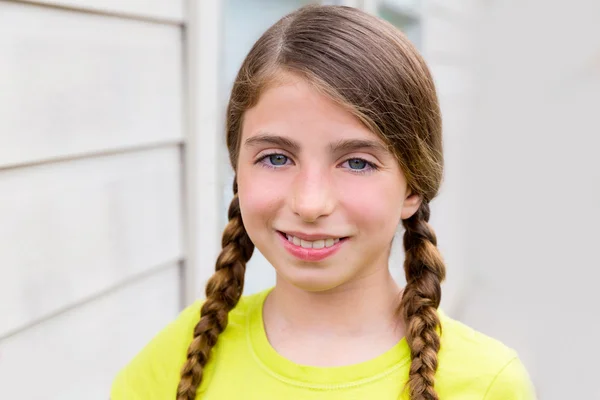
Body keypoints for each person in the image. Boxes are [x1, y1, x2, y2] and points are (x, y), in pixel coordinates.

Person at [110, 5, 535, 400]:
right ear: (237, 169)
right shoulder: (175, 359)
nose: (310, 203)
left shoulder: (486, 382)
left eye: (356, 162)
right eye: (276, 158)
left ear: (413, 187)